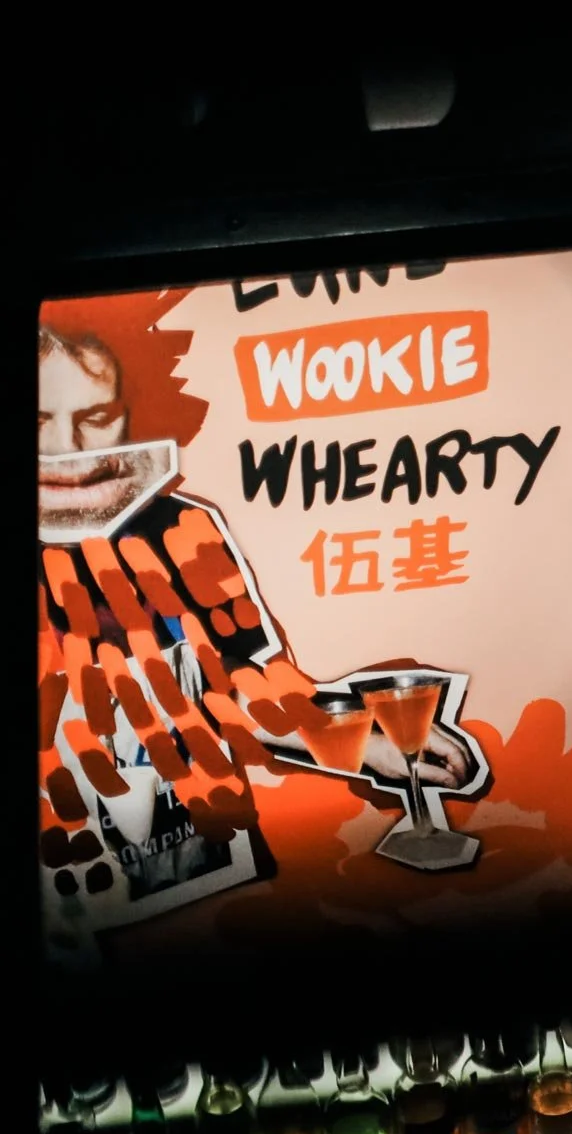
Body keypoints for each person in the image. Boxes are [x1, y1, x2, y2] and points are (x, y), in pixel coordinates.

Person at [38, 293, 478, 943]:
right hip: (61, 899)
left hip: (204, 872)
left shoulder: (183, 528)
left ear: (131, 416)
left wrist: (360, 741)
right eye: (39, 417)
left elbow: (243, 680)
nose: (67, 446)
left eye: (96, 416)